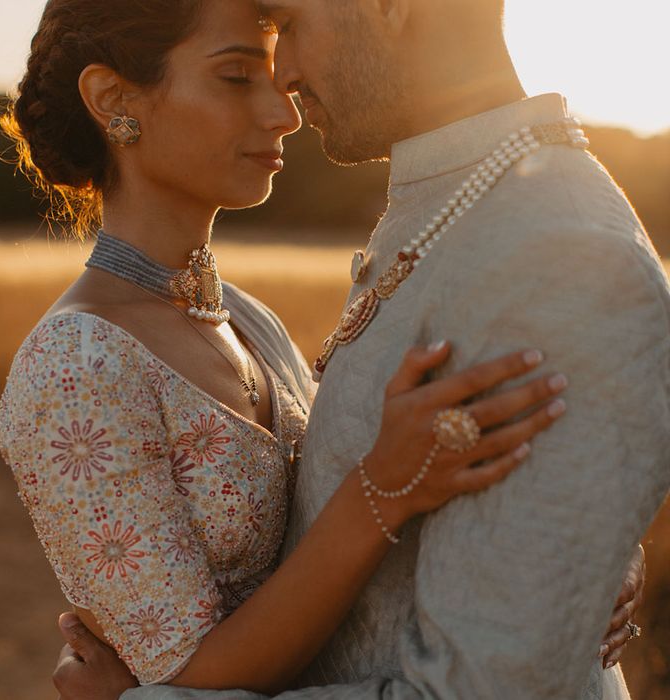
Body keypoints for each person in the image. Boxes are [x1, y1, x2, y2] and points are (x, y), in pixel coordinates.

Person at [49, 0, 669, 699]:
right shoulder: (447, 202)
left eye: (291, 22)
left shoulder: (563, 253)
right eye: (238, 72)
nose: (283, 80)